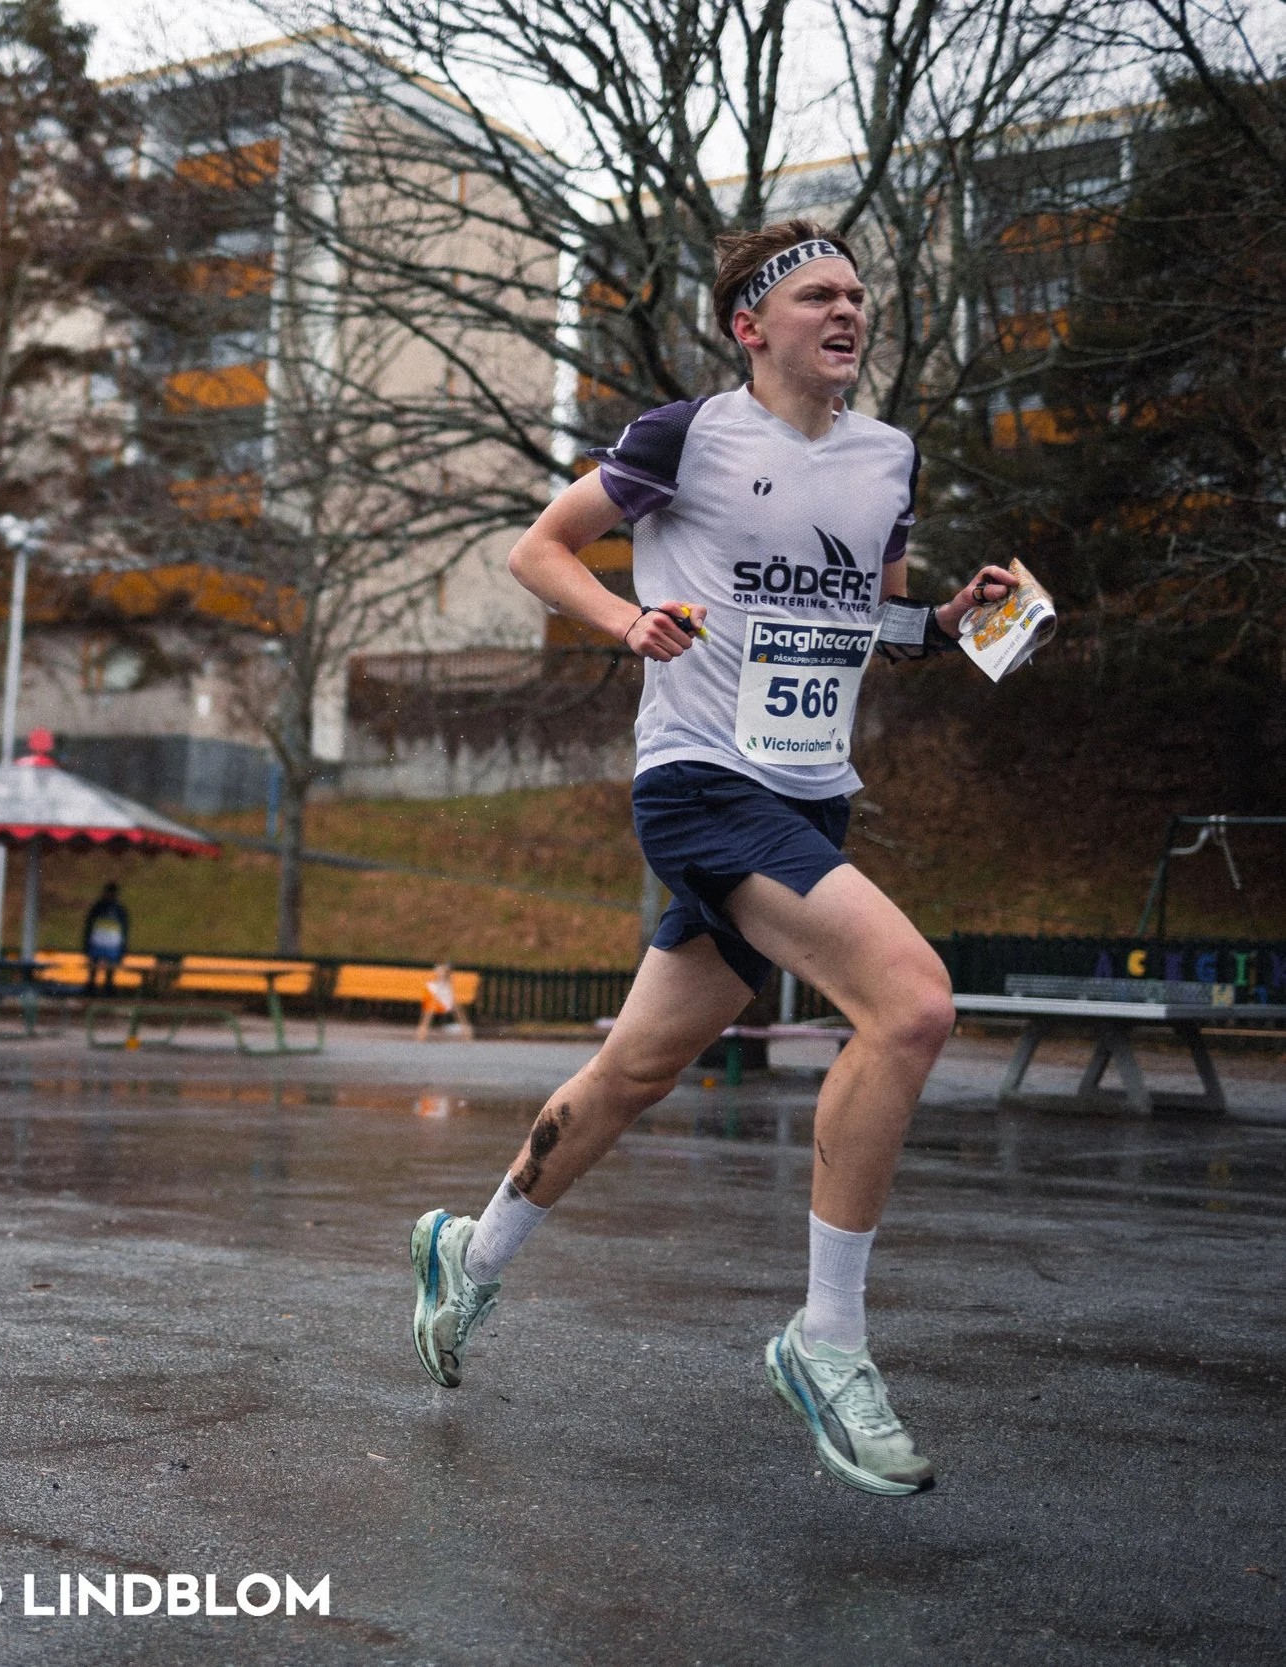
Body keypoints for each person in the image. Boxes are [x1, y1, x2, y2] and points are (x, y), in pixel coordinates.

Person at [407, 220, 1024, 1497]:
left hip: (810, 801)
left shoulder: (887, 458)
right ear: (751, 325)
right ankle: (826, 1340)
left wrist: (946, 622)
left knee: (634, 1069)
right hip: (699, 785)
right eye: (817, 295)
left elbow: (868, 614)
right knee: (911, 1005)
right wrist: (625, 616)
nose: (846, 311)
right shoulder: (682, 436)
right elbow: (537, 548)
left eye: (857, 293)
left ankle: (467, 1254)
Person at [81, 881, 130, 996]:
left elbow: (124, 930)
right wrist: (87, 944)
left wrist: (122, 948)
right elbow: (88, 927)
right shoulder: (97, 908)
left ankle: (108, 990)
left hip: (112, 946)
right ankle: (91, 990)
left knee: (110, 971)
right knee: (93, 970)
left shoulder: (120, 910)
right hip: (97, 944)